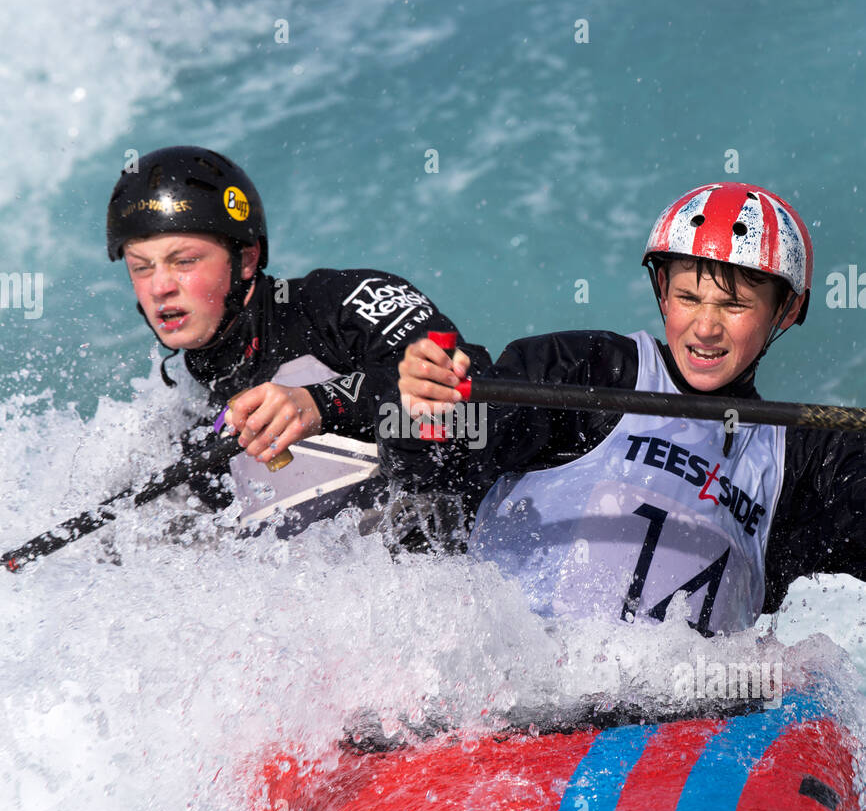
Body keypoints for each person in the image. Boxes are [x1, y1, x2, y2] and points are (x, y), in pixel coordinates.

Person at [384, 181, 865, 636]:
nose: (705, 327)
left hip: (682, 714)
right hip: (513, 686)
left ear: (786, 310)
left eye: (734, 306)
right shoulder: (588, 371)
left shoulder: (804, 458)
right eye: (688, 298)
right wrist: (429, 409)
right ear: (662, 290)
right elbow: (438, 463)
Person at [107, 145, 486, 540]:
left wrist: (322, 403)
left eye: (184, 261)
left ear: (248, 259)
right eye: (141, 267)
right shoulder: (183, 417)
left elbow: (472, 394)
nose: (161, 287)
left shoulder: (340, 306)